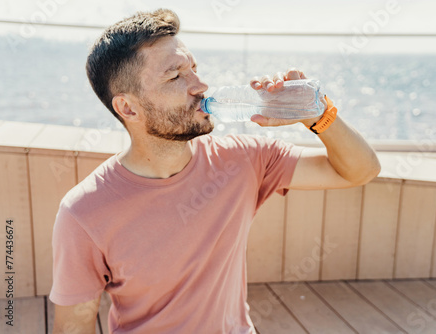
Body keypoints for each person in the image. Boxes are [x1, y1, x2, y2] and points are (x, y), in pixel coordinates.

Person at [49, 8, 380, 334]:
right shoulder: (83, 213)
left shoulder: (244, 160)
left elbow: (359, 171)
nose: (200, 85)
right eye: (175, 76)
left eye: (193, 67)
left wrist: (317, 112)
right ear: (128, 107)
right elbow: (73, 328)